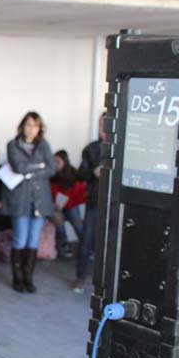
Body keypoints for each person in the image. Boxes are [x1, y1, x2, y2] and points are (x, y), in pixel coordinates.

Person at [2, 111, 57, 293]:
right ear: (22, 126)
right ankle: (17, 279)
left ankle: (28, 278)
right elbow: (18, 167)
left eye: (35, 125)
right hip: (21, 199)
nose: (31, 129)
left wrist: (30, 172)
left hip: (40, 200)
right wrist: (40, 166)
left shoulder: (44, 145)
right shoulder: (13, 144)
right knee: (20, 239)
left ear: (39, 128)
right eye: (28, 125)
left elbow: (52, 168)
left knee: (33, 240)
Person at [72, 113, 105, 293]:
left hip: (115, 204)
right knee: (86, 240)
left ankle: (107, 283)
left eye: (106, 124)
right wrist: (93, 172)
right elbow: (80, 174)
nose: (103, 128)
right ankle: (80, 277)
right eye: (101, 124)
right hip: (94, 201)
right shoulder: (91, 149)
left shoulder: (123, 148)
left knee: (110, 244)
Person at [50, 150, 85, 258]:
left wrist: (66, 202)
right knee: (58, 221)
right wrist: (53, 203)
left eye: (58, 161)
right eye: (53, 161)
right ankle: (64, 246)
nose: (55, 164)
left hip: (72, 204)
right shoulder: (51, 175)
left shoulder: (74, 174)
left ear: (65, 162)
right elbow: (47, 193)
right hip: (56, 206)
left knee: (77, 222)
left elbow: (79, 193)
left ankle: (87, 247)